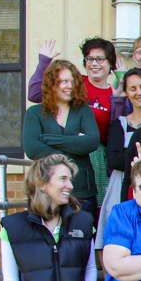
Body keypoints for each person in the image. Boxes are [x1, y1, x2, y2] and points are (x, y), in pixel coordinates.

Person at [22, 59, 101, 218]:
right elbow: (32, 149)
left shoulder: (83, 111)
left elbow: (92, 142)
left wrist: (49, 139)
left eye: (73, 82)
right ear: (52, 83)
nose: (70, 86)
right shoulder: (34, 113)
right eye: (64, 81)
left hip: (82, 191)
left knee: (82, 238)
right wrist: (75, 143)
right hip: (46, 192)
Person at [100, 68, 141, 249]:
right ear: (127, 94)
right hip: (122, 184)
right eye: (132, 88)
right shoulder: (120, 124)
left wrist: (131, 157)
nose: (139, 92)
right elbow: (113, 160)